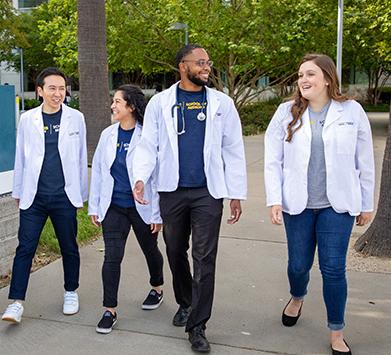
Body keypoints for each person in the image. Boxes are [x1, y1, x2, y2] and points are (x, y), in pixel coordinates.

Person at [132, 44, 247, 353]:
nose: (207, 67)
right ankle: (185, 301)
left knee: (205, 257)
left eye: (208, 62)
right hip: (171, 190)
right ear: (183, 66)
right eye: (200, 62)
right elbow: (147, 145)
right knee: (173, 249)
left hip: (208, 192)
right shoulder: (160, 103)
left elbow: (233, 150)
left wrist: (235, 193)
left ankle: (197, 325)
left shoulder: (223, 103)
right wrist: (140, 178)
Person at [264, 54, 375, 355]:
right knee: (298, 265)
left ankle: (336, 332)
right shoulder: (286, 112)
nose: (303, 80)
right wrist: (274, 199)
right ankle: (297, 296)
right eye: (300, 75)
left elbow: (364, 161)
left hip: (336, 207)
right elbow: (272, 160)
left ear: (327, 78)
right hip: (297, 205)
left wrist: (366, 204)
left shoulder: (351, 111)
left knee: (334, 269)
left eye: (310, 74)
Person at [2, 67, 88, 323]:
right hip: (34, 197)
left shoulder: (76, 118)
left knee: (69, 247)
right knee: (25, 248)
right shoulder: (27, 119)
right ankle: (16, 303)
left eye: (62, 88)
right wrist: (18, 190)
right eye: (52, 88)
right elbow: (21, 157)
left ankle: (70, 291)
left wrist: (80, 195)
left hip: (64, 196)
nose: (58, 93)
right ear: (39, 91)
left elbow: (81, 158)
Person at [88, 84, 164, 334]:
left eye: (118, 101)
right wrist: (95, 207)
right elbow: (99, 171)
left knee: (150, 250)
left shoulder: (147, 136)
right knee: (112, 257)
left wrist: (157, 214)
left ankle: (157, 287)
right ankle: (109, 310)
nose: (113, 105)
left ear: (131, 107)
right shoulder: (108, 135)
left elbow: (155, 177)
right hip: (114, 207)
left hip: (142, 208)